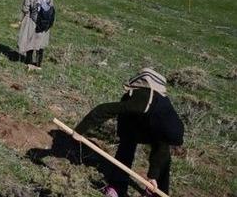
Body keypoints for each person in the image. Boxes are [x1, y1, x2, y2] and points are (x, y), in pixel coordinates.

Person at [71, 69, 184, 197]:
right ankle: (117, 187)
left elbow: (160, 149)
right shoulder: (137, 103)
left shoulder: (166, 120)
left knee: (163, 158)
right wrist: (80, 130)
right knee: (127, 145)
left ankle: (157, 192)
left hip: (151, 124)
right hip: (133, 121)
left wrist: (153, 176)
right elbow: (105, 109)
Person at [16, 0, 54, 70]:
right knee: (40, 44)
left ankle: (28, 61)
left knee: (30, 41)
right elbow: (51, 5)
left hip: (33, 22)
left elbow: (25, 9)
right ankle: (38, 64)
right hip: (45, 22)